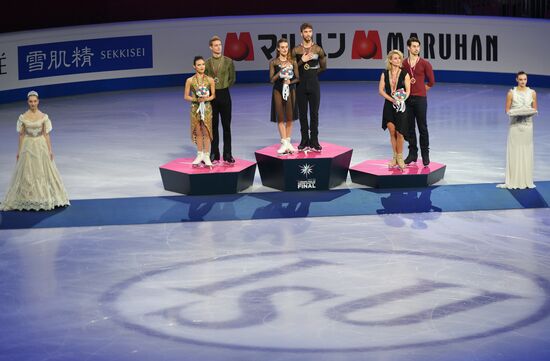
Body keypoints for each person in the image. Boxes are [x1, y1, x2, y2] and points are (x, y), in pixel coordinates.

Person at [0, 91, 70, 211]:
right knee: (28, 172)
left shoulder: (44, 117)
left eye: (35, 101)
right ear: (28, 102)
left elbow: (46, 134)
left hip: (41, 146)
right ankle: (28, 198)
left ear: (38, 102)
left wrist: (50, 150)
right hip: (28, 146)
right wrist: (19, 151)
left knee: (42, 171)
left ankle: (44, 198)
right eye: (30, 101)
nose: (33, 103)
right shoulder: (23, 117)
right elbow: (21, 135)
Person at [497, 71, 538, 189]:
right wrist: (517, 114)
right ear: (516, 80)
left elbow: (535, 109)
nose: (523, 82)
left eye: (525, 79)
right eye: (520, 79)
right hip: (515, 126)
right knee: (514, 151)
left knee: (526, 151)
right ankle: (513, 180)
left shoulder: (532, 93)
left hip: (527, 127)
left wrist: (527, 113)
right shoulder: (511, 93)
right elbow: (507, 110)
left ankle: (526, 180)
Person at [292, 22, 327, 152]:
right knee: (302, 114)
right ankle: (304, 140)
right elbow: (292, 68)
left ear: (312, 33)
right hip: (300, 85)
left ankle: (314, 141)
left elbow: (324, 67)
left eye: (310, 31)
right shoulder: (296, 50)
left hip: (314, 84)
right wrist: (303, 61)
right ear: (301, 33)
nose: (308, 34)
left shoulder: (318, 49)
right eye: (305, 32)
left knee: (314, 114)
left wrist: (312, 73)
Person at [402, 37, 435, 166]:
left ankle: (425, 154)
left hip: (420, 99)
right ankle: (412, 154)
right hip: (408, 99)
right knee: (410, 128)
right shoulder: (404, 64)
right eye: (414, 46)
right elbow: (400, 81)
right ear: (408, 48)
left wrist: (422, 90)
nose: (416, 48)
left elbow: (432, 81)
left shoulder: (425, 63)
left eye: (418, 46)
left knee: (422, 127)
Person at [204, 36, 236, 164]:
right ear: (211, 47)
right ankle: (214, 153)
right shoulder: (206, 63)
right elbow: (204, 80)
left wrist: (223, 85)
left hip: (225, 95)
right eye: (216, 45)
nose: (219, 47)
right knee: (213, 126)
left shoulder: (228, 61)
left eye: (220, 44)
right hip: (212, 96)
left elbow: (232, 78)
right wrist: (212, 90)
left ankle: (227, 154)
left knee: (226, 126)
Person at [379, 50, 411, 170]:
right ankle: (394, 158)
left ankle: (400, 158)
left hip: (401, 106)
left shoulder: (405, 74)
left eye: (399, 58)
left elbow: (408, 91)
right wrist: (391, 100)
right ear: (390, 60)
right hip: (389, 106)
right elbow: (381, 90)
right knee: (392, 131)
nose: (398, 60)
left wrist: (401, 99)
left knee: (400, 133)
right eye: (396, 58)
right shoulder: (384, 74)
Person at [184, 56, 216, 168]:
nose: (202, 66)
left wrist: (206, 99)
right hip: (195, 108)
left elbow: (213, 95)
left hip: (206, 108)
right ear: (194, 66)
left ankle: (206, 155)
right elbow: (186, 96)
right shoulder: (190, 80)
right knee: (198, 131)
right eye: (199, 65)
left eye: (203, 64)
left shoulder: (210, 80)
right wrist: (196, 99)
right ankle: (199, 154)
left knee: (206, 131)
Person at [270, 38, 300, 154]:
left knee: (290, 117)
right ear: (278, 48)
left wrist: (290, 82)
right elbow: (272, 79)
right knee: (281, 116)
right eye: (282, 47)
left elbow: (297, 78)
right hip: (278, 90)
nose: (284, 49)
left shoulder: (293, 62)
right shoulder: (274, 62)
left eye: (286, 47)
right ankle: (284, 143)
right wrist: (280, 72)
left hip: (291, 90)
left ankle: (288, 142)